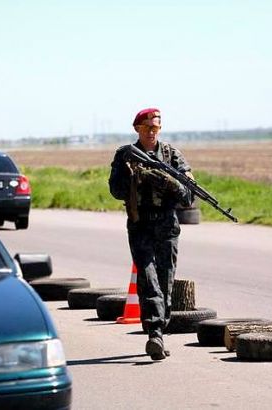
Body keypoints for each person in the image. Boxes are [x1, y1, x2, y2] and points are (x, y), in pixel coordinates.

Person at [109, 108, 193, 360]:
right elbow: (116, 190)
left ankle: (159, 330)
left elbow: (188, 196)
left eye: (155, 128)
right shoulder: (125, 155)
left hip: (167, 225)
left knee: (165, 280)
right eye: (147, 128)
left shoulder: (171, 155)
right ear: (137, 129)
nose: (151, 132)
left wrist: (168, 182)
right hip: (140, 224)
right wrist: (132, 173)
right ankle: (154, 332)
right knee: (148, 280)